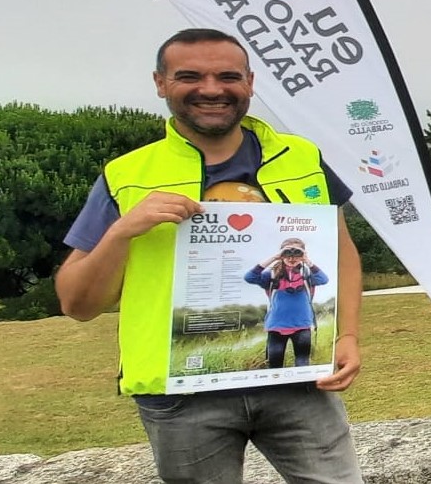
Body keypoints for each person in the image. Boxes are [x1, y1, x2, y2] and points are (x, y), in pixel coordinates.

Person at [55, 28, 365, 483]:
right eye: (189, 76)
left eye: (228, 76)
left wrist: (347, 335)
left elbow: (342, 254)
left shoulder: (301, 158)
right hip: (181, 394)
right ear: (160, 83)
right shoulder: (127, 175)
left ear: (250, 82)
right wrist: (122, 232)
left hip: (298, 381)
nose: (212, 89)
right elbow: (77, 303)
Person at [245, 237, 332, 368]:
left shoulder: (306, 274)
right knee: (274, 365)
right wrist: (275, 257)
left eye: (297, 252)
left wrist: (307, 261)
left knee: (302, 364)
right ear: (281, 254)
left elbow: (323, 279)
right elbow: (250, 277)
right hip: (276, 326)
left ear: (303, 254)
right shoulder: (272, 274)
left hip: (302, 325)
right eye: (287, 253)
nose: (292, 257)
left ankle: (301, 383)